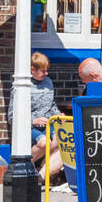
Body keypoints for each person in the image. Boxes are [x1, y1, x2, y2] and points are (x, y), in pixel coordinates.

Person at [8, 52, 62, 181]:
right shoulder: (21, 86)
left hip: (49, 123)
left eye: (46, 70)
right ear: (32, 69)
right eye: (42, 71)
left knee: (61, 140)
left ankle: (41, 174)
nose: (46, 74)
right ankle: (22, 165)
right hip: (30, 125)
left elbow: (51, 105)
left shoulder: (48, 82)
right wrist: (33, 121)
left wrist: (58, 114)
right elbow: (11, 116)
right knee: (44, 142)